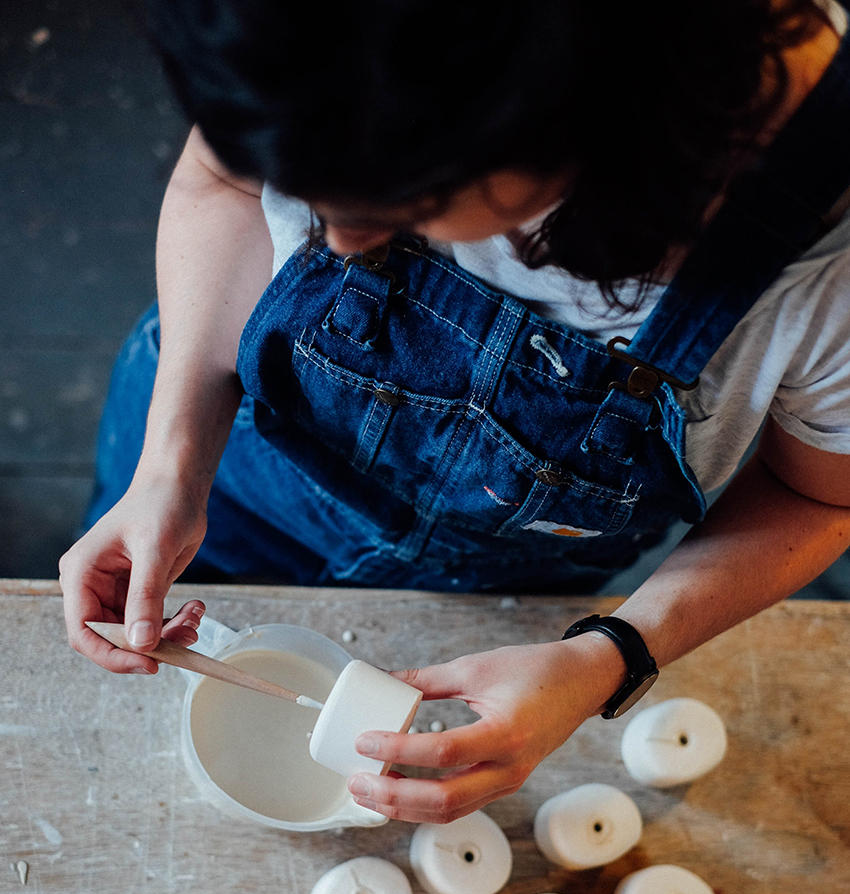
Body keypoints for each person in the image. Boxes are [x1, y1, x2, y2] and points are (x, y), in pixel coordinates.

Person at [60, 0, 850, 824]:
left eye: (396, 203)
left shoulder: (830, 270)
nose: (340, 242)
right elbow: (222, 183)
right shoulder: (300, 39)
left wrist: (607, 656)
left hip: (492, 593)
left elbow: (821, 495)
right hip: (235, 464)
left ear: (564, 114)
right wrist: (172, 463)